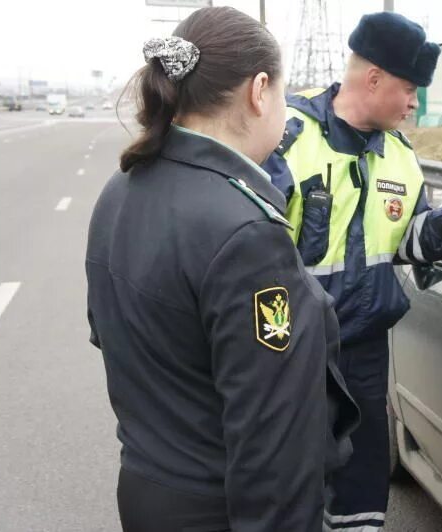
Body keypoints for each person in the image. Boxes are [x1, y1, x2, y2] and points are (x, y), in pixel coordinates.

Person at [85, 7, 358, 532]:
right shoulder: (246, 230)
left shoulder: (121, 188)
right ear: (259, 91)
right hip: (221, 508)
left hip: (146, 491)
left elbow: (114, 337)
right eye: (282, 92)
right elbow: (275, 443)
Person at [262, 11, 442, 531]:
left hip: (362, 350)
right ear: (373, 78)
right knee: (284, 475)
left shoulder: (402, 159)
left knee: (360, 481)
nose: (414, 105)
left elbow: (407, 242)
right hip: (290, 350)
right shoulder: (289, 138)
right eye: (410, 91)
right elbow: (249, 255)